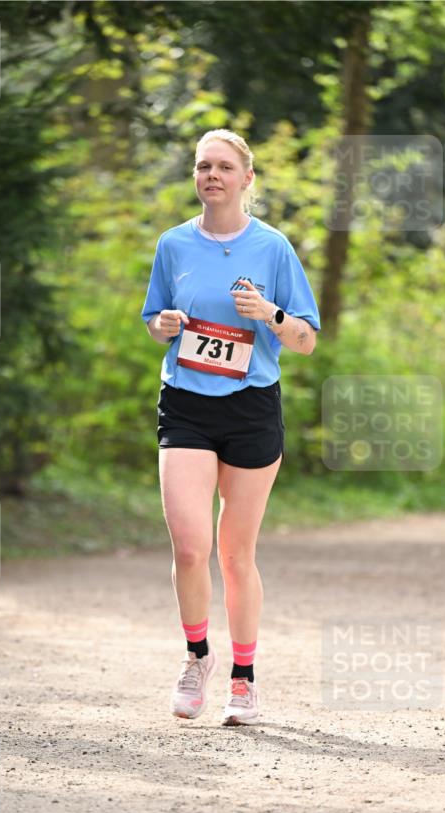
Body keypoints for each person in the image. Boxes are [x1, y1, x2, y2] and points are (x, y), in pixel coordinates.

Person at [142, 128, 320, 726]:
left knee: (235, 554)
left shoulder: (273, 248)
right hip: (187, 403)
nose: (211, 175)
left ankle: (243, 679)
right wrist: (164, 324)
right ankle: (198, 658)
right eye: (202, 167)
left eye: (222, 167)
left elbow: (306, 340)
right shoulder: (173, 244)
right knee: (191, 546)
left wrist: (269, 314)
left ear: (247, 178)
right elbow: (154, 323)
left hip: (251, 407)